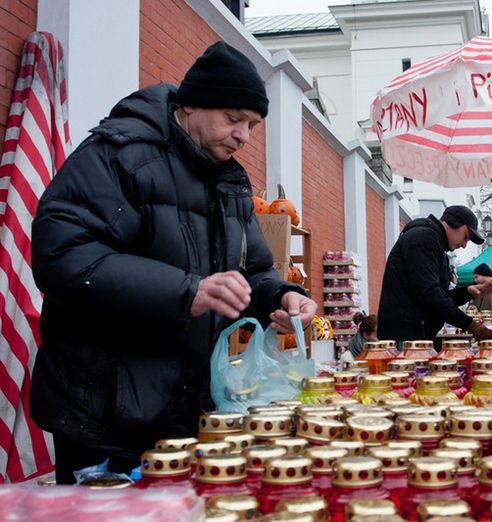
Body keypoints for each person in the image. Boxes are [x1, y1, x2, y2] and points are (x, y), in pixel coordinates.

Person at [30, 42, 317, 484]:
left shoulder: (230, 181)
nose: (243, 135)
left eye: (252, 125)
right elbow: (62, 256)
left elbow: (252, 269)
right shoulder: (117, 154)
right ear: (191, 106)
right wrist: (187, 291)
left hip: (184, 410)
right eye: (232, 118)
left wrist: (282, 294)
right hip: (106, 411)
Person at [377, 205, 492, 342]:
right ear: (455, 222)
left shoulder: (436, 246)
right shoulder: (423, 238)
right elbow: (430, 295)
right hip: (404, 336)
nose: (464, 245)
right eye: (465, 237)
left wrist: (467, 291)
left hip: (412, 334)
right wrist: (472, 326)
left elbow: (439, 296)